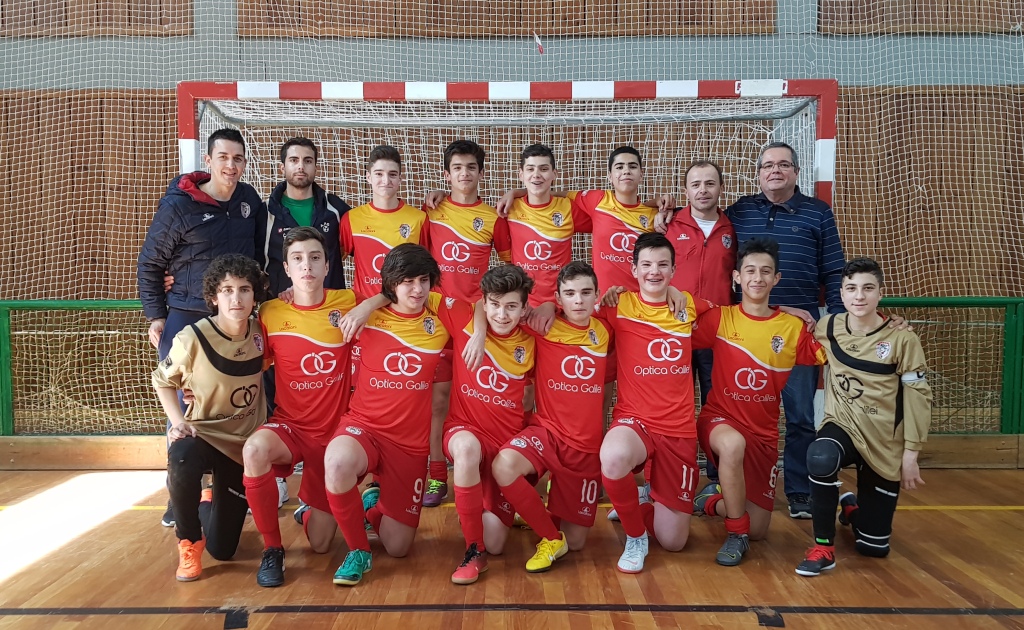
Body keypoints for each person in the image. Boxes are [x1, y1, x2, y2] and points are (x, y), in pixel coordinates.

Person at [138, 128, 265, 527]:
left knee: (232, 401)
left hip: (234, 316)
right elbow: (150, 264)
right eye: (223, 157)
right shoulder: (179, 206)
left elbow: (258, 257)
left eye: (238, 158)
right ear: (207, 161)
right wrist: (157, 315)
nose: (231, 165)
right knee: (182, 404)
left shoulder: (249, 201)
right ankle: (180, 496)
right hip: (188, 314)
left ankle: (228, 486)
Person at [242, 227, 369, 587]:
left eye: (315, 258)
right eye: (297, 259)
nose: (307, 266)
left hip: (336, 436)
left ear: (328, 265)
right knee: (253, 450)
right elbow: (247, 364)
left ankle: (318, 504)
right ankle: (273, 550)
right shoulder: (268, 312)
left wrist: (369, 304)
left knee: (321, 546)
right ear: (286, 267)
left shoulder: (348, 303)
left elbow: (391, 299)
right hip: (291, 428)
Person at [691, 237, 827, 567]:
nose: (757, 278)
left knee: (760, 530)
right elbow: (671, 322)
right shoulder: (720, 318)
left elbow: (834, 349)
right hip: (719, 420)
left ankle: (713, 502)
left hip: (764, 433)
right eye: (749, 270)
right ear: (736, 277)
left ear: (776, 279)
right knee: (733, 447)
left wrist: (884, 323)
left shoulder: (792, 327)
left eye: (766, 272)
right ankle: (734, 534)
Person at [323, 244, 450, 587]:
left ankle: (371, 506)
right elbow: (313, 300)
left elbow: (480, 309)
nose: (417, 289)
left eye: (423, 280)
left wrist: (480, 330)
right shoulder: (364, 313)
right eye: (407, 281)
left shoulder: (439, 315)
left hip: (409, 444)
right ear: (391, 285)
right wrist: (368, 303)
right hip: (364, 426)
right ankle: (358, 551)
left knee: (398, 548)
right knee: (336, 462)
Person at [795, 258, 932, 577]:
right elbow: (781, 316)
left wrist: (911, 453)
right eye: (851, 289)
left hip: (884, 440)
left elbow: (918, 396)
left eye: (868, 289)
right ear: (840, 294)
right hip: (841, 424)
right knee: (820, 456)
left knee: (873, 548)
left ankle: (852, 508)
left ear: (880, 294)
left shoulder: (903, 338)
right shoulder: (827, 327)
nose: (859, 296)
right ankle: (823, 548)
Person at [598, 233, 713, 574]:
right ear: (633, 269)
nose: (654, 271)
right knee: (613, 457)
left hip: (678, 430)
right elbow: (570, 310)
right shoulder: (618, 305)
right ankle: (636, 536)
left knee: (675, 542)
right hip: (636, 421)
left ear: (674, 269)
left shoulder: (689, 306)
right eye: (646, 264)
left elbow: (740, 312)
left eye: (663, 265)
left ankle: (640, 502)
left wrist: (792, 310)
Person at [152, 254, 267, 582]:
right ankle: (187, 540)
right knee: (181, 454)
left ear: (254, 296)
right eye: (227, 290)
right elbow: (161, 380)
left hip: (242, 447)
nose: (236, 298)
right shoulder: (193, 338)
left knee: (224, 550)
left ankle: (207, 501)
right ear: (214, 297)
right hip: (204, 435)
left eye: (244, 289)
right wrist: (177, 422)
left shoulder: (262, 331)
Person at [491, 261, 610, 574]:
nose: (579, 300)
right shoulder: (543, 325)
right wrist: (542, 306)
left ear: (597, 295)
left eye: (586, 293)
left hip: (584, 449)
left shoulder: (606, 327)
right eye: (570, 293)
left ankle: (543, 511)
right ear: (559, 298)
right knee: (503, 465)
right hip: (547, 433)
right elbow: (489, 304)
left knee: (580, 542)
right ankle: (549, 536)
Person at [420, 140, 512, 508]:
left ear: (481, 173)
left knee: (490, 398)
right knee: (438, 402)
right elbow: (419, 266)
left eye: (471, 167)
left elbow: (506, 270)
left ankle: (494, 473)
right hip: (438, 317)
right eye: (457, 167)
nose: (464, 173)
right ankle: (437, 476)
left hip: (479, 323)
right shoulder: (431, 213)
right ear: (447, 174)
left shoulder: (493, 218)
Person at [439, 266, 536, 585]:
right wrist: (479, 330)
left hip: (504, 449)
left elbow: (563, 309)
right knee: (466, 450)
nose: (502, 314)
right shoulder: (464, 318)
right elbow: (408, 292)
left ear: (524, 309)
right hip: (463, 429)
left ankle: (485, 519)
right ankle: (472, 550)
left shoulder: (535, 339)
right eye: (494, 304)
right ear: (484, 302)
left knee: (498, 544)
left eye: (511, 306)